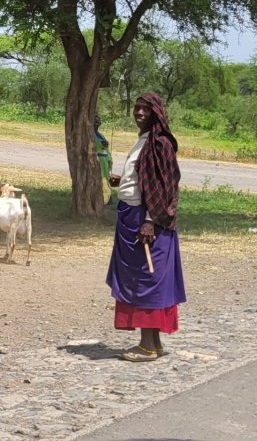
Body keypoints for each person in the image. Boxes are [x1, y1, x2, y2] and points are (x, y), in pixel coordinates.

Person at [105, 92, 186, 362]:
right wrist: (124, 181)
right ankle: (154, 344)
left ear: (157, 113)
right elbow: (145, 178)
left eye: (145, 109)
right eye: (137, 108)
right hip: (131, 215)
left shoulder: (160, 144)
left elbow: (165, 187)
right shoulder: (144, 140)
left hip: (147, 221)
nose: (139, 113)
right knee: (138, 277)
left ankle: (148, 346)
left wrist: (150, 220)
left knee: (147, 279)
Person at [95, 114, 113, 206]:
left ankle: (106, 200)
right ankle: (102, 200)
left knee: (105, 180)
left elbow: (104, 148)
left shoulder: (99, 134)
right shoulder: (89, 135)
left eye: (99, 121)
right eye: (95, 120)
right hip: (98, 163)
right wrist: (101, 145)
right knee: (101, 182)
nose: (98, 122)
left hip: (104, 163)